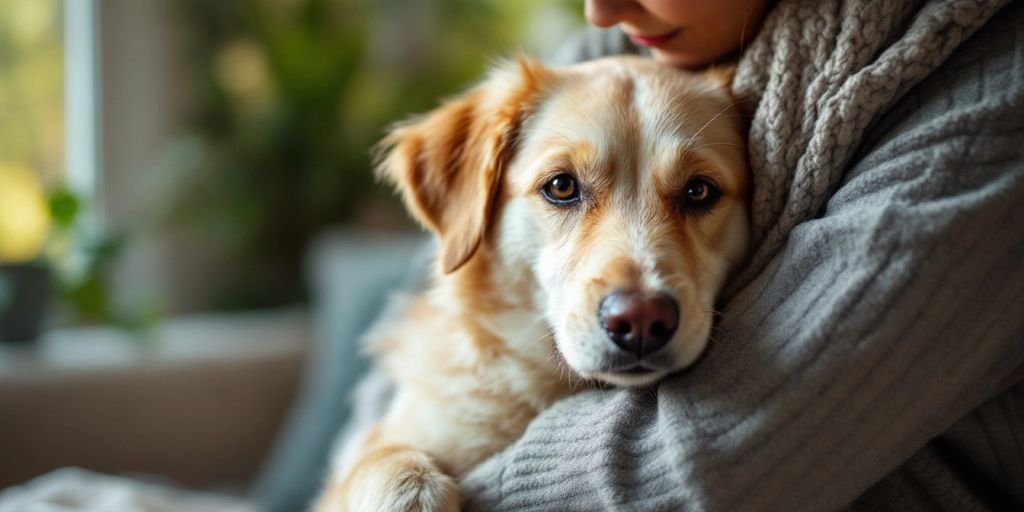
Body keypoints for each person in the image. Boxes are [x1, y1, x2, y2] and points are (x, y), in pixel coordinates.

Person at [458, 0, 1024, 510]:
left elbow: (710, 465)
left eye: (696, 193)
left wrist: (462, 488)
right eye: (563, 189)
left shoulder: (988, 107)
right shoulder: (619, 49)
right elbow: (418, 341)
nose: (600, 11)